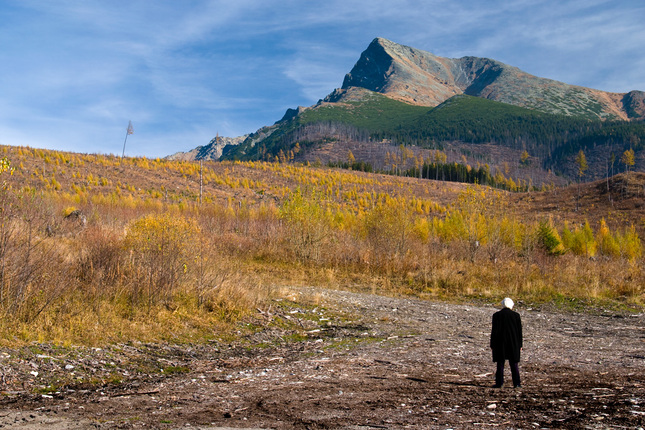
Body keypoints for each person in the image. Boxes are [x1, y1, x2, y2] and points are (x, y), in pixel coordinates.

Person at [490, 297, 523, 388]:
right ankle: (517, 383)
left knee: (500, 364)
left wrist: (492, 344)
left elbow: (494, 331)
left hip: (500, 343)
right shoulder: (516, 316)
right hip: (513, 342)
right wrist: (520, 344)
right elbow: (519, 332)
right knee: (514, 364)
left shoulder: (496, 315)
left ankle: (499, 383)